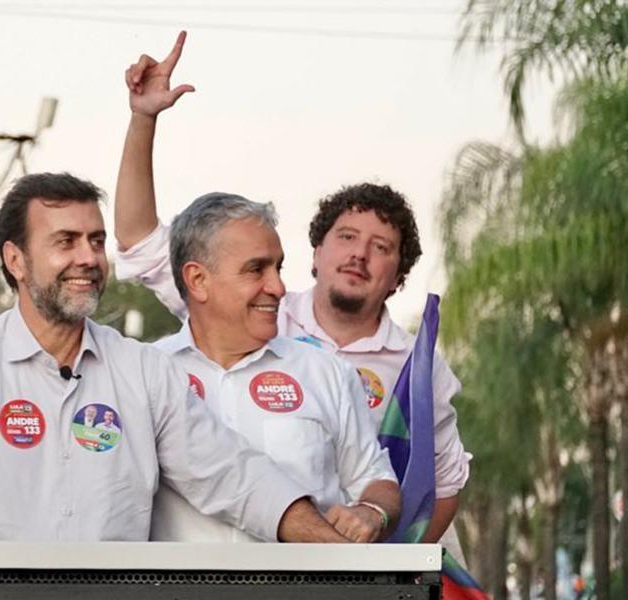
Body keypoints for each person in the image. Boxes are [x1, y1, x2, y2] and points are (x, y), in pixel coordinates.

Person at [112, 31, 469, 556]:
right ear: (318, 250)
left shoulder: (396, 368)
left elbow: (433, 482)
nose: (359, 256)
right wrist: (144, 119)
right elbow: (141, 242)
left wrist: (385, 559)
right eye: (347, 238)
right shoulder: (148, 373)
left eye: (381, 248)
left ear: (400, 275)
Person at [0, 172, 353, 543]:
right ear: (15, 260)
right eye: (66, 241)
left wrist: (336, 551)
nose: (88, 258)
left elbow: (233, 475)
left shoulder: (142, 369)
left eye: (97, 241)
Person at [140, 192, 400, 544]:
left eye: (277, 268)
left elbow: (377, 480)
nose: (277, 287)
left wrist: (373, 511)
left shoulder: (326, 372)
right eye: (256, 269)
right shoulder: (144, 375)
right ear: (198, 280)